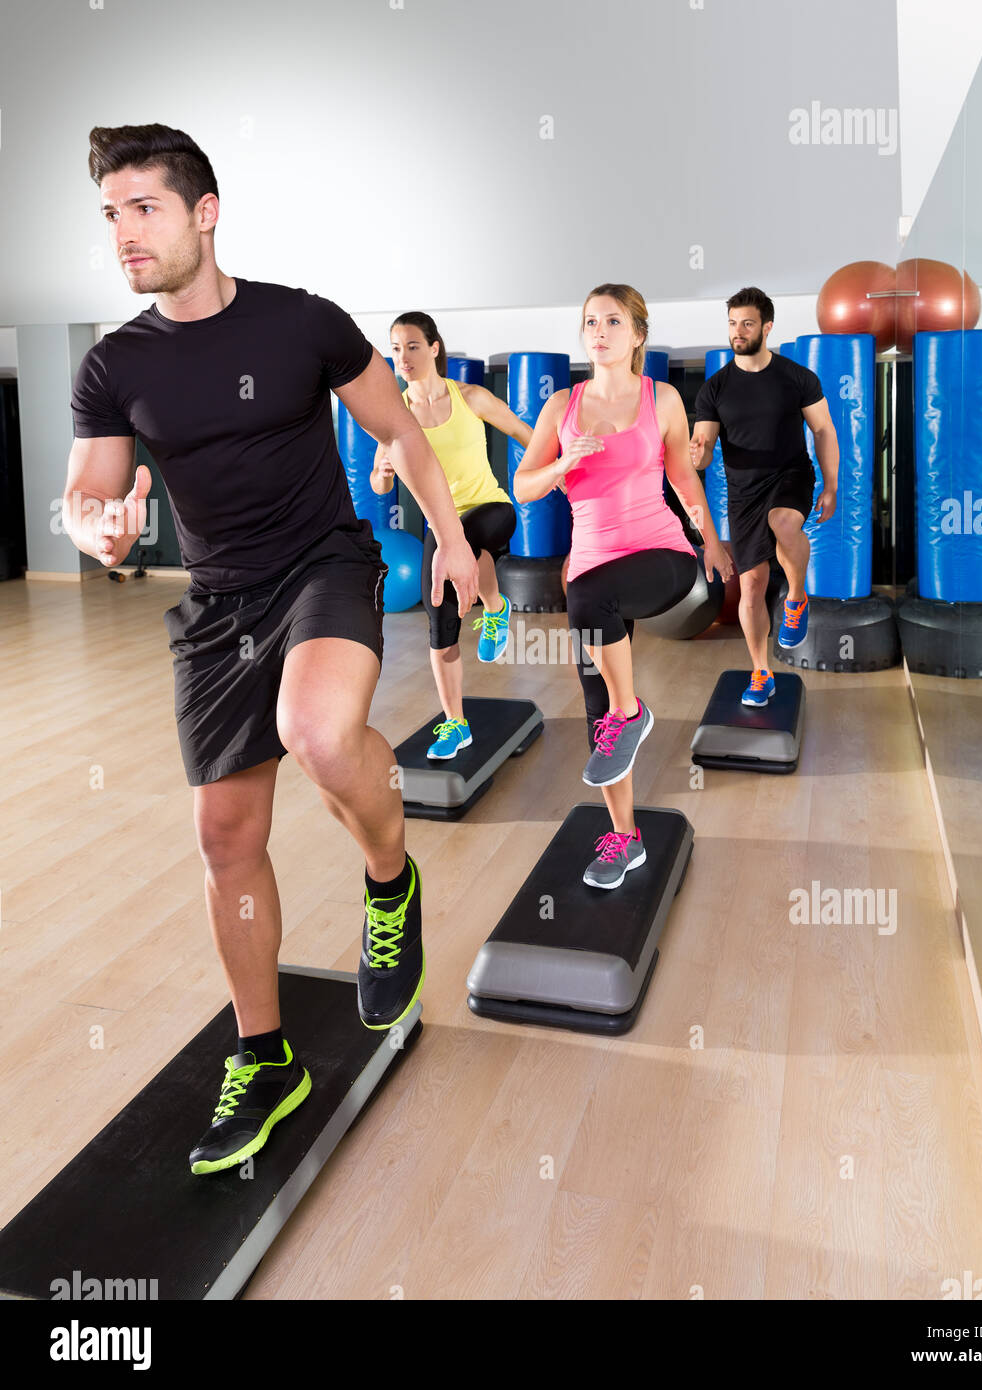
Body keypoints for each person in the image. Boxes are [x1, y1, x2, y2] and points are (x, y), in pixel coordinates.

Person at [62, 123, 479, 1175]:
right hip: (218, 606)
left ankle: (390, 882)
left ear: (205, 212)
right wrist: (96, 532)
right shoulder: (115, 364)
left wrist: (454, 541)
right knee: (224, 836)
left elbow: (401, 435)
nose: (124, 234)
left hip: (323, 566)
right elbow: (92, 496)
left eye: (144, 208)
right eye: (112, 214)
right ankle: (266, 1053)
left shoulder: (303, 323)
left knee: (318, 732)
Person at [514, 283, 733, 888]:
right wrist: (562, 463)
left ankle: (631, 710)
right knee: (597, 714)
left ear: (638, 334)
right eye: (590, 322)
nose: (599, 331)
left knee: (587, 601)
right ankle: (623, 835)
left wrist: (710, 539)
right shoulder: (561, 406)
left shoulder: (662, 399)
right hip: (593, 562)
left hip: (660, 553)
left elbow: (684, 478)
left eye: (612, 321)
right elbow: (523, 485)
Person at [371, 313, 531, 757]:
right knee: (440, 629)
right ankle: (456, 724)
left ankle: (496, 607)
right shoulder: (395, 417)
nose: (403, 357)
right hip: (441, 532)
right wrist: (383, 472)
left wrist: (553, 470)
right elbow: (378, 486)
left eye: (413, 346)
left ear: (435, 348)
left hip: (491, 510)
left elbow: (523, 432)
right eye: (396, 348)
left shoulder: (471, 397)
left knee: (470, 535)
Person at [689, 288, 838, 706]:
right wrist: (697, 452)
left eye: (747, 323)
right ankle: (761, 673)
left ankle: (795, 598)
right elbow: (701, 450)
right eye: (733, 323)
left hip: (791, 474)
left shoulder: (797, 378)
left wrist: (830, 484)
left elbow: (824, 431)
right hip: (744, 492)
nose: (738, 332)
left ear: (767, 327)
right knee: (751, 586)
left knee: (785, 521)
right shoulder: (714, 388)